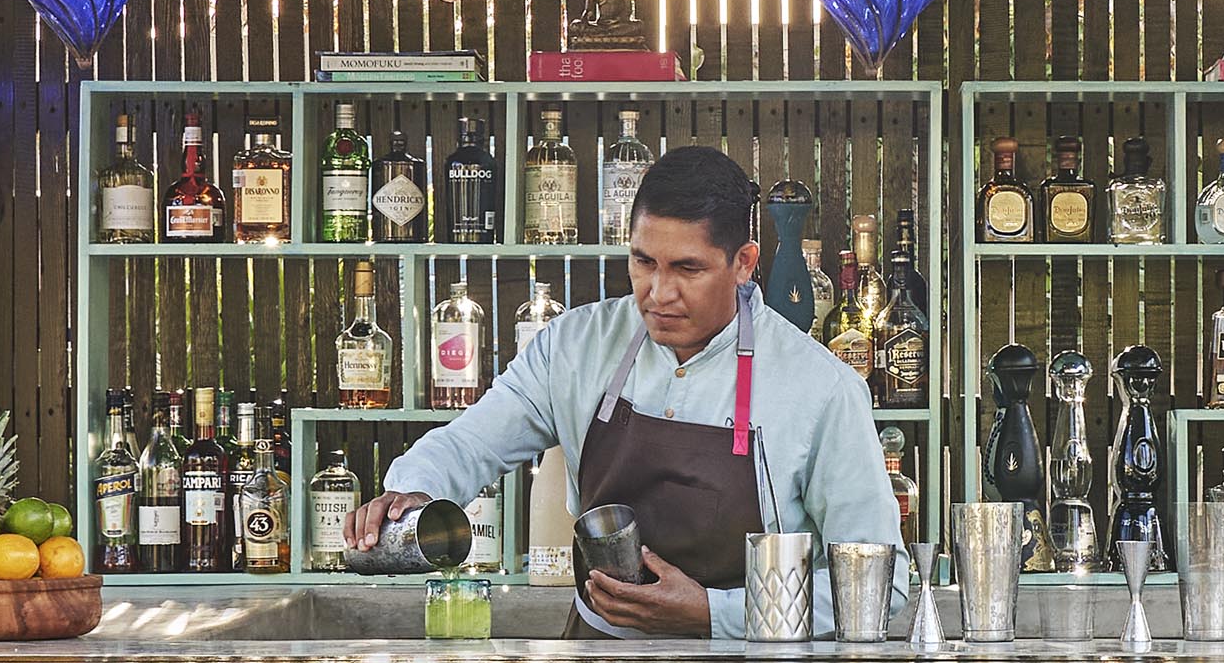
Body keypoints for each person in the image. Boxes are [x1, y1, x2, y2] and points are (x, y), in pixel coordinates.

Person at [349, 142, 900, 637]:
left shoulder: (821, 389)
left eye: (688, 268)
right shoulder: (574, 346)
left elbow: (882, 587)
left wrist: (715, 612)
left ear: (744, 264)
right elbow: (469, 444)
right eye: (643, 262)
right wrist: (416, 489)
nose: (658, 292)